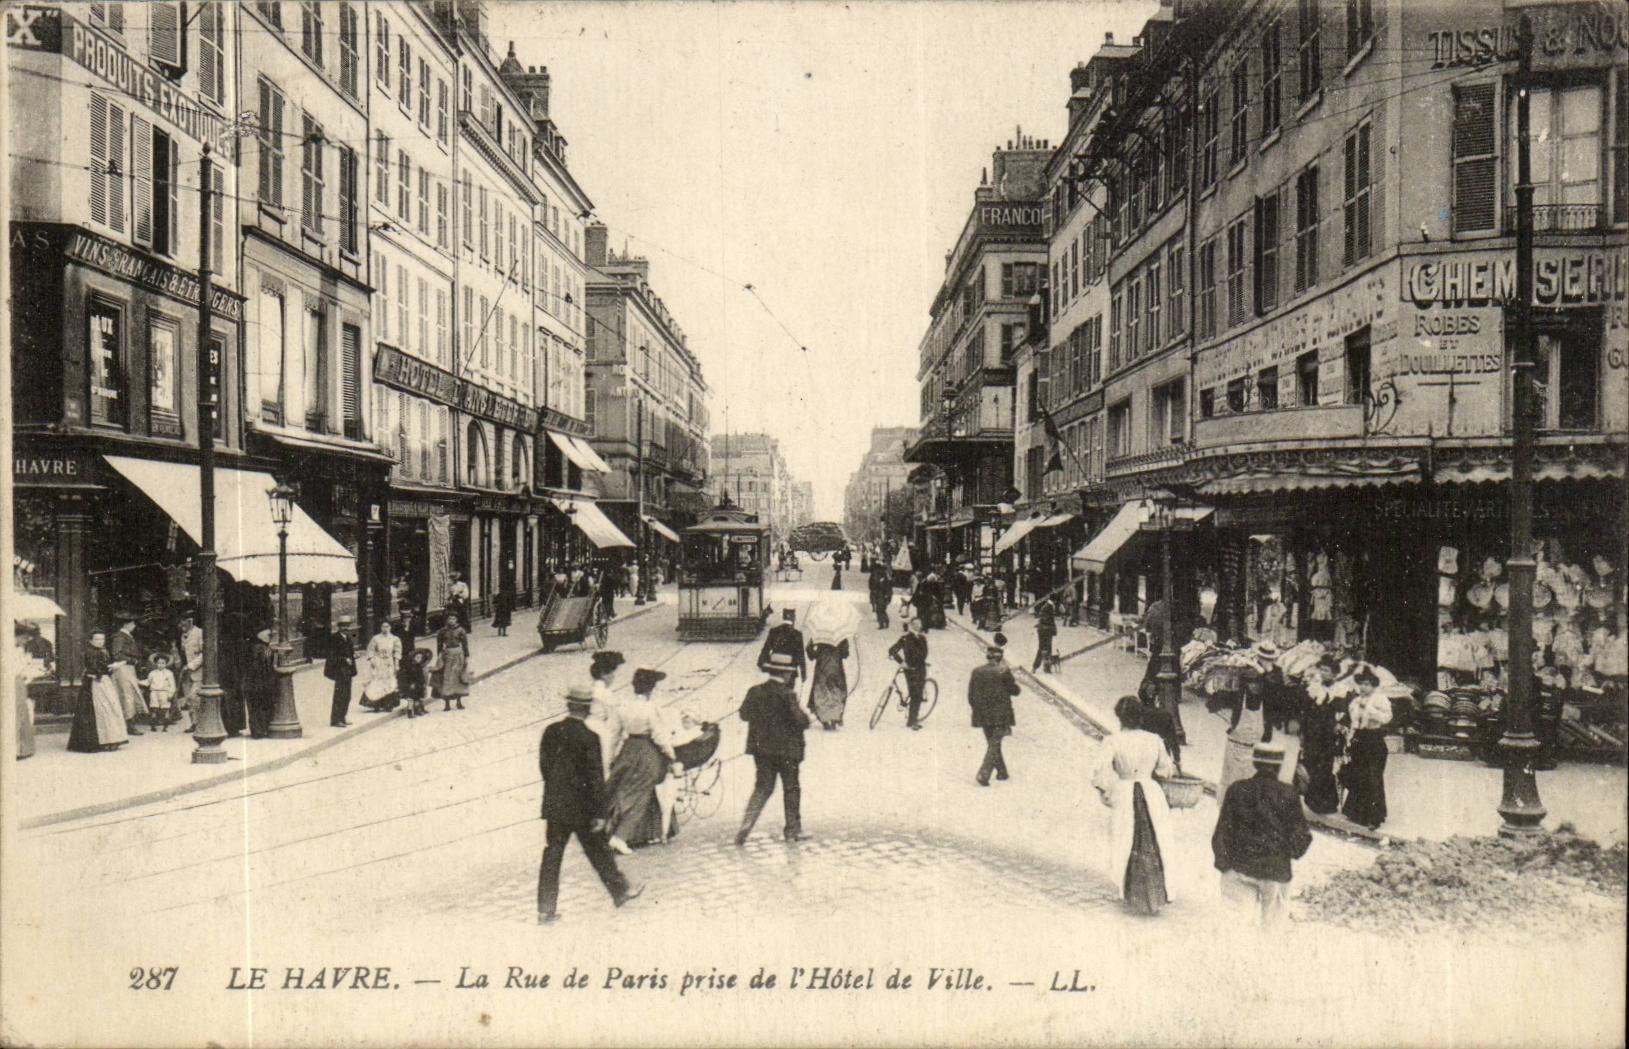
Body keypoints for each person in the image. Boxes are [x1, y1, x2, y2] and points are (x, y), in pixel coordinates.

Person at [537, 685, 643, 924]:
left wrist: (556, 792)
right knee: (598, 851)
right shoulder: (589, 737)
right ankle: (620, 891)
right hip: (583, 809)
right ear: (586, 710)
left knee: (552, 855)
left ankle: (545, 908)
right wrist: (599, 812)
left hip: (555, 806)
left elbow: (544, 767)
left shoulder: (551, 731)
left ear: (568, 706)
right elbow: (595, 778)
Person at [1211, 740, 1313, 926]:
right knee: (1272, 932)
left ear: (1254, 762)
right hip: (1275, 871)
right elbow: (1302, 837)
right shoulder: (1289, 793)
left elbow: (1222, 832)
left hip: (1239, 867)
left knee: (1235, 928)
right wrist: (1284, 856)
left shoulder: (1237, 789)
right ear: (1279, 765)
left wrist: (1224, 864)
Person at [1093, 696, 1177, 916]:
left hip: (1124, 793)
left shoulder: (1112, 741)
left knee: (1126, 840)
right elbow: (1166, 769)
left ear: (1119, 718)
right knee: (1156, 839)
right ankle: (1157, 893)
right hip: (1151, 793)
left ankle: (1131, 891)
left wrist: (1106, 792)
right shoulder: (1154, 739)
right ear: (1141, 716)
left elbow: (1099, 772)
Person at [735, 653, 812, 845]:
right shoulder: (788, 695)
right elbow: (801, 721)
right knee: (791, 788)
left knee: (762, 787)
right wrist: (805, 718)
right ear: (786, 675)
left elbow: (744, 715)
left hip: (762, 750)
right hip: (787, 752)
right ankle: (793, 831)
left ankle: (747, 823)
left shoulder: (755, 691)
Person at [604, 668, 681, 854]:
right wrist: (671, 755)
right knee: (641, 794)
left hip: (628, 749)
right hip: (646, 752)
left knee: (622, 789)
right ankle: (620, 837)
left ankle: (620, 830)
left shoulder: (622, 707)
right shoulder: (651, 709)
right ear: (651, 689)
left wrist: (610, 758)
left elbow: (613, 734)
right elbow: (659, 735)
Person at [1340, 671, 1391, 829]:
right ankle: (1357, 813)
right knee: (1358, 775)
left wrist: (1370, 711)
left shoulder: (1380, 699)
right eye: (1361, 684)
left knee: (1373, 776)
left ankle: (1374, 817)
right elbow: (1352, 721)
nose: (1363, 687)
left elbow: (1386, 718)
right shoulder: (1355, 702)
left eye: (1367, 684)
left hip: (1374, 740)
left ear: (1374, 686)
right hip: (1359, 740)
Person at [67, 631, 129, 753]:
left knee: (109, 709)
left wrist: (111, 667)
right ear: (91, 641)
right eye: (97, 639)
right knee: (100, 710)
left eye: (102, 639)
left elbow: (104, 667)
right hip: (94, 684)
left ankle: (110, 739)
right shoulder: (90, 652)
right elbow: (95, 668)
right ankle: (101, 741)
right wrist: (113, 666)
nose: (100, 641)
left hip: (104, 682)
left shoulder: (103, 651)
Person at [968, 644, 1019, 785]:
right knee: (994, 744)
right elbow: (1015, 691)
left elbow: (971, 696)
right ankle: (984, 774)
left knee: (993, 743)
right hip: (1001, 714)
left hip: (982, 714)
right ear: (1000, 658)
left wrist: (977, 710)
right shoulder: (1003, 671)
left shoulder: (976, 671)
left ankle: (1002, 772)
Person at [1218, 671, 1267, 795]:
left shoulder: (1264, 703)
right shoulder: (1238, 699)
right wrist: (1230, 722)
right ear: (1245, 684)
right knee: (1231, 786)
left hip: (1253, 752)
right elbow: (1212, 703)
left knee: (1251, 789)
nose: (1254, 686)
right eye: (1251, 682)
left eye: (1257, 683)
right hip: (1235, 749)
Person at [587, 650, 627, 777]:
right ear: (604, 674)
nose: (614, 678)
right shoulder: (607, 694)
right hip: (600, 732)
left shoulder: (589, 690)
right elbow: (614, 724)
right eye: (613, 674)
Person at [107, 614, 148, 734]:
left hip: (127, 669)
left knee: (129, 695)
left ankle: (129, 723)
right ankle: (129, 725)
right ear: (127, 624)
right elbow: (117, 655)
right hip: (122, 669)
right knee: (126, 696)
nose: (134, 626)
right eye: (133, 623)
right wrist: (133, 660)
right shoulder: (120, 637)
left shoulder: (125, 636)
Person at [886, 617, 930, 730]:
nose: (917, 626)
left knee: (917, 694)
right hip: (910, 669)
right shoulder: (905, 638)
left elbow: (924, 654)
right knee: (915, 694)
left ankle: (913, 718)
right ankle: (912, 720)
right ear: (911, 625)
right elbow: (892, 650)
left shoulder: (922, 638)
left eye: (918, 624)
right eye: (914, 624)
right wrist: (901, 662)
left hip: (920, 669)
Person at [806, 633, 851, 730]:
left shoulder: (818, 635)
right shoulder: (841, 635)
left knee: (822, 693)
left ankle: (825, 718)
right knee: (836, 692)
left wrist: (815, 651)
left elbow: (810, 653)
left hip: (822, 668)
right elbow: (845, 654)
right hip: (836, 668)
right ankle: (835, 717)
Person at [360, 619, 404, 712]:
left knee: (389, 682)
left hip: (389, 662)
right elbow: (370, 650)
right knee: (378, 682)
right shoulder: (376, 638)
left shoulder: (394, 639)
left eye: (387, 626)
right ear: (380, 628)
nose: (385, 628)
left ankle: (388, 704)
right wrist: (372, 659)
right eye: (383, 626)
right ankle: (377, 703)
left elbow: (397, 651)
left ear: (390, 627)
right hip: (379, 661)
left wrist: (397, 663)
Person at [244, 627, 279, 738]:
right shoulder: (266, 649)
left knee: (254, 707)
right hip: (262, 682)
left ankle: (256, 731)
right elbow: (267, 666)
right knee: (263, 705)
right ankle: (263, 729)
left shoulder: (252, 647)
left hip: (251, 683)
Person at [758, 609, 808, 684]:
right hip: (790, 670)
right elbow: (801, 655)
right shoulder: (797, 634)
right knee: (788, 692)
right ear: (793, 618)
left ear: (783, 617)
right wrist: (803, 674)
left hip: (775, 668)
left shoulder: (774, 631)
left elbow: (766, 648)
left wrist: (761, 662)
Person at [324, 616, 358, 728]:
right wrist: (344, 659)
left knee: (347, 695)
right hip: (339, 670)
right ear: (339, 626)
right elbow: (331, 655)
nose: (345, 628)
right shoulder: (334, 638)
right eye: (343, 626)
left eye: (347, 625)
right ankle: (335, 719)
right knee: (339, 695)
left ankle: (343, 717)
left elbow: (349, 652)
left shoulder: (347, 638)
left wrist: (353, 656)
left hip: (347, 671)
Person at [433, 614, 471, 712]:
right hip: (447, 655)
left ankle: (459, 702)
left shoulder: (461, 630)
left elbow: (465, 644)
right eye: (450, 618)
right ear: (447, 620)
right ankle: (447, 703)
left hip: (458, 654)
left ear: (457, 619)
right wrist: (439, 656)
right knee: (447, 678)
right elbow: (439, 645)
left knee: (458, 678)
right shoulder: (442, 631)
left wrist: (466, 657)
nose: (451, 620)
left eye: (453, 618)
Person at [177, 612, 202, 732]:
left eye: (183, 622)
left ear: (190, 621)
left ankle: (201, 723)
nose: (180, 625)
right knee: (188, 698)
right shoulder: (184, 635)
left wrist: (191, 665)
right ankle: (194, 723)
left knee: (195, 697)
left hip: (198, 672)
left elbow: (205, 653)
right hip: (186, 673)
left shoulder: (200, 633)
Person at [141, 652, 178, 730]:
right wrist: (138, 681)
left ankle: (165, 726)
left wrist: (170, 694)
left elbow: (172, 685)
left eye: (163, 663)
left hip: (164, 692)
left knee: (165, 708)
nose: (160, 665)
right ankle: (153, 725)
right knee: (154, 708)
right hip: (154, 692)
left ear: (166, 664)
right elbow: (148, 682)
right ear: (156, 664)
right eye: (159, 663)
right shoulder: (152, 673)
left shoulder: (169, 673)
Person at [399, 648, 431, 718]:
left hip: (418, 684)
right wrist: (410, 684)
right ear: (414, 657)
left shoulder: (419, 666)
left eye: (420, 658)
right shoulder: (410, 666)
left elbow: (421, 676)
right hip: (412, 685)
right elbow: (408, 676)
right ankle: (410, 712)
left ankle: (420, 709)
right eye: (417, 657)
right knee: (411, 699)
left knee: (420, 697)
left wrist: (423, 683)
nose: (419, 659)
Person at [1033, 599, 1057, 673]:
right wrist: (1052, 629)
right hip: (1045, 631)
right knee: (1045, 649)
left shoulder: (1047, 606)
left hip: (1044, 631)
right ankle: (1041, 667)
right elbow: (1047, 621)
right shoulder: (1048, 607)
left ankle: (1041, 667)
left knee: (1044, 649)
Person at [868, 565, 894, 630]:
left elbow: (888, 587)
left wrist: (887, 595)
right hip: (878, 594)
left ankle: (883, 622)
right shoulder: (876, 575)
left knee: (880, 609)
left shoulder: (883, 576)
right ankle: (883, 622)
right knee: (880, 609)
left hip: (881, 595)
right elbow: (870, 585)